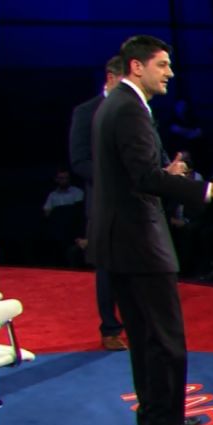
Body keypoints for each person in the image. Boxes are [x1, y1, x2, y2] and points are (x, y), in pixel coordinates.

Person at [91, 35, 213, 425]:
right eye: (163, 65)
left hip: (123, 240)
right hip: (140, 241)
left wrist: (165, 172)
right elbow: (145, 179)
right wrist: (208, 191)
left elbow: (136, 173)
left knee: (147, 338)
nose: (170, 73)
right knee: (164, 339)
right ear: (137, 67)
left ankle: (160, 417)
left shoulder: (113, 104)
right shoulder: (129, 108)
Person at [69, 55, 129, 351]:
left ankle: (136, 322)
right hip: (104, 203)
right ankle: (110, 329)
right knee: (107, 268)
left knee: (136, 267)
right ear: (110, 78)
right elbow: (79, 161)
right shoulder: (86, 112)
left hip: (137, 203)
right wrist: (113, 176)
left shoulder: (137, 111)